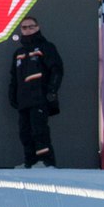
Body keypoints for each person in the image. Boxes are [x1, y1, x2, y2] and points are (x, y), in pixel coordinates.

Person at [8, 16, 63, 169]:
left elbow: (57, 69)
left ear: (37, 27)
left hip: (40, 98)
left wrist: (52, 90)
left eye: (31, 27)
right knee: (25, 132)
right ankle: (30, 162)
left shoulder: (46, 47)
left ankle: (46, 161)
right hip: (23, 100)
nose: (28, 30)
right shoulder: (18, 52)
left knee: (40, 130)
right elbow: (14, 77)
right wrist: (12, 95)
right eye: (24, 28)